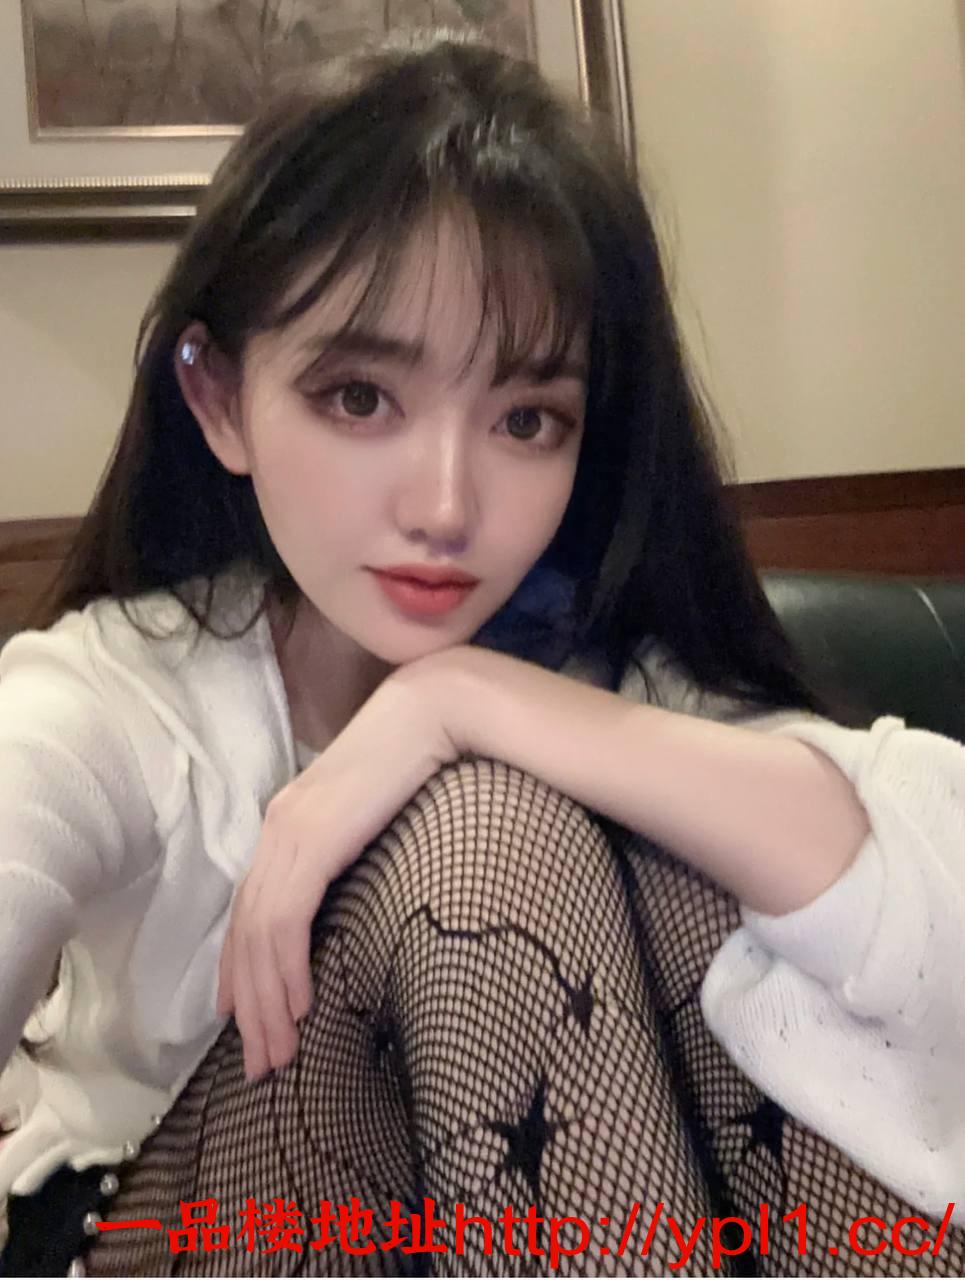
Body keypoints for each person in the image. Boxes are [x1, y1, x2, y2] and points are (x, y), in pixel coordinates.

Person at [1, 27, 963, 1278]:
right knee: (492, 829)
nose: (447, 505)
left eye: (525, 418)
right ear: (219, 398)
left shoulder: (581, 655)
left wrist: (454, 697)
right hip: (162, 1227)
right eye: (359, 397)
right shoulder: (119, 703)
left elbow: (920, 912)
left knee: (713, 888)